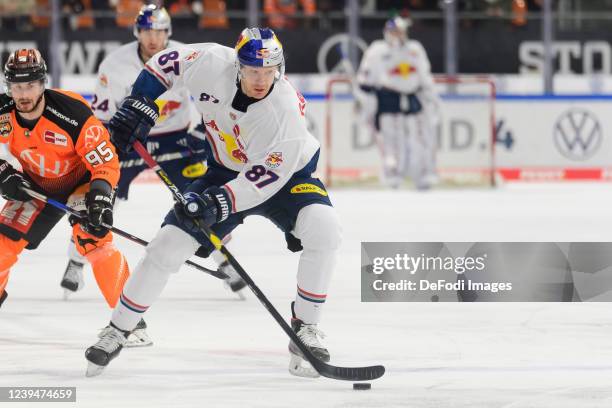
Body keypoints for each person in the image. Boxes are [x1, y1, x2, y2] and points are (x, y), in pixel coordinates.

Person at [83, 27, 342, 378]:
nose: (261, 79)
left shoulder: (285, 113)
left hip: (287, 177)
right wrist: (141, 102)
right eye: (253, 71)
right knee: (167, 245)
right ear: (238, 65)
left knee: (324, 231)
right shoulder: (210, 61)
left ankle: (306, 329)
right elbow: (165, 63)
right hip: (224, 171)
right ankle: (118, 329)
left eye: (269, 71)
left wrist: (221, 202)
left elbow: (266, 177)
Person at [59, 4, 246, 301]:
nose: (152, 39)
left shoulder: (190, 57)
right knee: (101, 198)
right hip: (132, 140)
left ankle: (226, 260)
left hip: (177, 142)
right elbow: (104, 114)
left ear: (168, 32)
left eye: (158, 31)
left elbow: (214, 101)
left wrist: (200, 133)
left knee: (200, 201)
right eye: (147, 31)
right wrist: (114, 140)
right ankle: (75, 260)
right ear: (137, 32)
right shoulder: (115, 64)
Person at [0, 49, 148, 343]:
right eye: (17, 86)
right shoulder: (3, 111)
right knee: (3, 243)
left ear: (43, 83)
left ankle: (131, 325)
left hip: (83, 182)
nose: (23, 93)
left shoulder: (72, 112)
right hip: (36, 184)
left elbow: (105, 161)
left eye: (30, 85)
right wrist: (3, 170)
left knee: (94, 242)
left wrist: (101, 197)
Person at [357, 16, 441, 190]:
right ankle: (392, 176)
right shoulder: (377, 50)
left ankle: (424, 175)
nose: (399, 35)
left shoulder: (414, 49)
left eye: (401, 31)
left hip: (414, 97)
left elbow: (425, 75)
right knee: (391, 140)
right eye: (395, 31)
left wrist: (432, 98)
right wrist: (365, 100)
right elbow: (365, 79)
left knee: (421, 137)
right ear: (387, 32)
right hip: (388, 98)